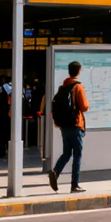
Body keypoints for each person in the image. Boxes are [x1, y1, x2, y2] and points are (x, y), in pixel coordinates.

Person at [48, 60, 89, 194]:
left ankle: (55, 172)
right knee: (77, 154)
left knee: (67, 153)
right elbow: (84, 107)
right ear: (78, 71)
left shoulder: (63, 87)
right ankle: (74, 184)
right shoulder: (78, 87)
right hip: (75, 124)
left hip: (64, 126)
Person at [0, 76, 12, 160]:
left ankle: (2, 152)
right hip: (8, 116)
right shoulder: (10, 91)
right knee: (8, 134)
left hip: (1, 116)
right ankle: (8, 151)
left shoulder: (0, 91)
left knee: (2, 134)